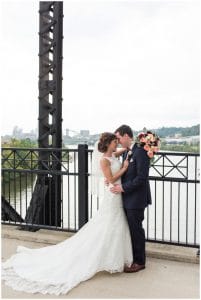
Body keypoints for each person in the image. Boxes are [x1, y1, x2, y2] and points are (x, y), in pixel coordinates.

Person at [2, 132, 133, 296]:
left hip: (117, 194)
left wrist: (128, 148)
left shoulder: (112, 155)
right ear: (108, 144)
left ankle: (114, 258)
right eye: (115, 142)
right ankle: (106, 258)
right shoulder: (103, 160)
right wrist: (125, 168)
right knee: (109, 223)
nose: (117, 144)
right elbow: (111, 179)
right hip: (113, 193)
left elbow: (119, 153)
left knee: (115, 223)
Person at [110, 125, 152, 273]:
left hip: (136, 199)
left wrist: (122, 188)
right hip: (128, 198)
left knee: (136, 230)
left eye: (119, 138)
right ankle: (134, 256)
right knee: (132, 229)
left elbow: (141, 178)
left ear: (126, 136)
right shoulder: (128, 152)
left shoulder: (141, 152)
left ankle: (140, 262)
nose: (118, 141)